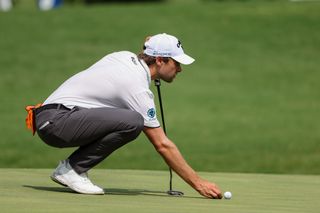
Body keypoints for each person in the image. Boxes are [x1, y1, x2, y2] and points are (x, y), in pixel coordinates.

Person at [25, 33, 222, 198]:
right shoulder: (136, 88)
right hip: (58, 123)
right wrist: (198, 183)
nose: (180, 69)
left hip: (53, 118)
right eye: (176, 62)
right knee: (133, 121)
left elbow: (145, 47)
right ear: (160, 60)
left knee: (130, 118)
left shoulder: (123, 57)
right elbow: (162, 144)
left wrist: (149, 44)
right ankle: (72, 170)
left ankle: (72, 169)